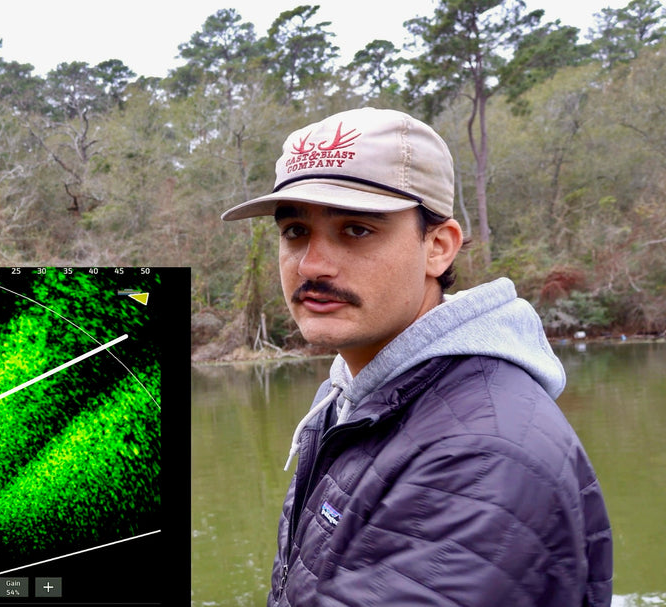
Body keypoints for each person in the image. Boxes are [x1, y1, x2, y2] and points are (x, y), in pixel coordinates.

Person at [221, 107, 612, 606]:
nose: (312, 265)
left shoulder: (481, 456)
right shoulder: (349, 399)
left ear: (438, 247)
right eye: (296, 230)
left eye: (356, 230)